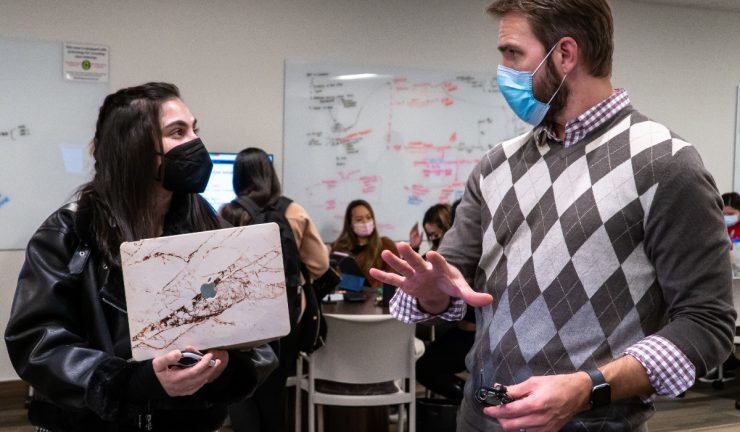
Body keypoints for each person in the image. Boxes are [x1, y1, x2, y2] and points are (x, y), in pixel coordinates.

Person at [370, 1, 736, 431]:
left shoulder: (665, 164)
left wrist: (588, 387)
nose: (503, 69)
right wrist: (431, 293)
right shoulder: (495, 166)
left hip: (592, 423)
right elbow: (451, 285)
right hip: (479, 417)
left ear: (564, 54)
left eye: (512, 54)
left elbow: (706, 325)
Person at [4, 82, 277, 432]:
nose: (195, 143)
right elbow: (37, 343)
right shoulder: (70, 232)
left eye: (195, 129)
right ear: (133, 148)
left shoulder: (209, 226)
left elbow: (256, 334)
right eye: (177, 132)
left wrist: (227, 367)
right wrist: (130, 383)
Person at [219, 147, 329, 432]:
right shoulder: (293, 211)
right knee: (275, 387)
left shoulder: (227, 212)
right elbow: (319, 264)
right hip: (285, 314)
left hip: (237, 314)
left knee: (240, 384)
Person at [414, 199, 476, 401]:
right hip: (461, 331)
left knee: (425, 368)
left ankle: (473, 400)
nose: (434, 238)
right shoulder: (438, 257)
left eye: (436, 234)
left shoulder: (466, 258)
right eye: (430, 235)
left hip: (471, 335)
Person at [331, 199, 399, 288]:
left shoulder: (385, 245)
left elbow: (395, 279)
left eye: (368, 217)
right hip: (345, 298)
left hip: (375, 298)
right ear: (350, 224)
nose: (365, 222)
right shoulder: (338, 248)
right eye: (359, 219)